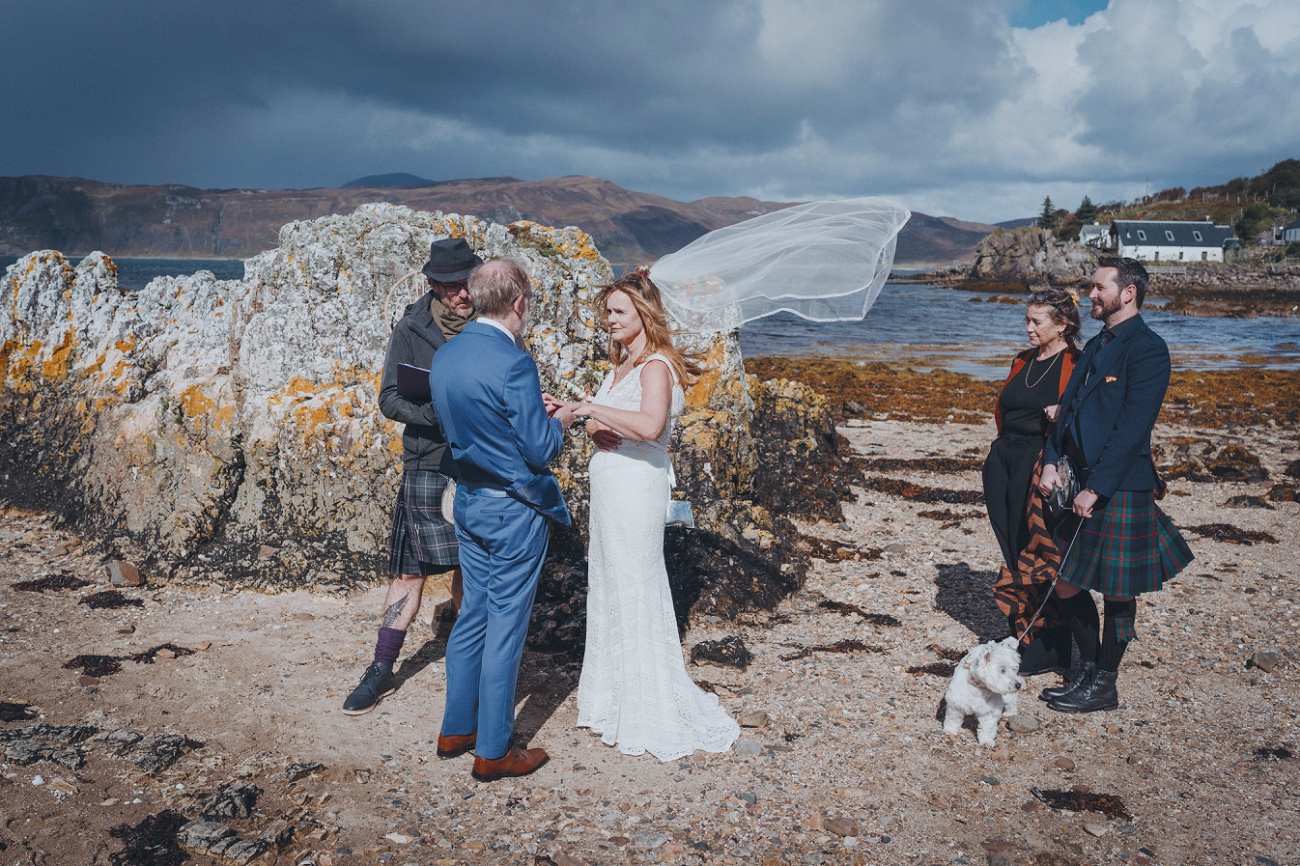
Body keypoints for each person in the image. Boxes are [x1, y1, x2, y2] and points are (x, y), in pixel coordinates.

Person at [570, 271, 740, 761]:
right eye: (607, 312)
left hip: (634, 490)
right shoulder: (624, 364)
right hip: (611, 487)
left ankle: (647, 705)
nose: (609, 320)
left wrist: (586, 407)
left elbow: (650, 425)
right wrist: (593, 427)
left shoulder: (656, 366)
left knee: (636, 583)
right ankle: (613, 699)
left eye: (618, 312)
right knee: (610, 583)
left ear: (644, 314)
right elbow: (617, 422)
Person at [429, 258, 578, 782]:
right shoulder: (514, 362)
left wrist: (526, 414)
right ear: (518, 304)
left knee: (472, 617)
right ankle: (494, 750)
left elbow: (477, 422)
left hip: (469, 501)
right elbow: (539, 450)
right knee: (506, 627)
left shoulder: (447, 355)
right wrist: (560, 418)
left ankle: (455, 728)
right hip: (514, 508)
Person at [1037, 256, 1193, 713]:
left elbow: (1133, 429)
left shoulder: (1147, 348)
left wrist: (1097, 488)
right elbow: (1066, 410)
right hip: (1080, 479)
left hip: (1121, 486)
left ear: (1127, 293)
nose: (1090, 295)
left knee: (1119, 590)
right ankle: (1088, 669)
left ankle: (1105, 682)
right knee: (1066, 581)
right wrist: (1051, 461)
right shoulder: (1098, 344)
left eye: (1098, 287)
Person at [342, 237, 481, 715]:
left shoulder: (494, 322)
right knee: (408, 572)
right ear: (433, 286)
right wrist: (440, 415)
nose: (463, 295)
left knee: (471, 569)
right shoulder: (411, 326)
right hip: (427, 461)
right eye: (452, 287)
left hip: (479, 462)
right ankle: (381, 669)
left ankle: (475, 669)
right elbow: (389, 399)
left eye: (468, 283)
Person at [983, 289, 1081, 675]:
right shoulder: (1022, 360)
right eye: (1026, 320)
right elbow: (1005, 408)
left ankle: (1052, 646)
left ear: (1063, 325)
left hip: (1040, 461)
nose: (1028, 328)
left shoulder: (1076, 362)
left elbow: (1090, 413)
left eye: (1036, 322)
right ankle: (1023, 634)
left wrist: (1066, 413)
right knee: (1010, 544)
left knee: (1038, 548)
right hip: (1003, 460)